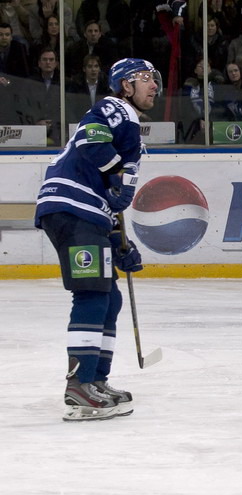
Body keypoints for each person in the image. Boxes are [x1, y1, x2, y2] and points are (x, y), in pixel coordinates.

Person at [34, 57, 160, 421]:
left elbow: (110, 196)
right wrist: (116, 175)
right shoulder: (116, 106)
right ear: (125, 85)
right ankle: (79, 386)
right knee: (92, 291)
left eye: (155, 79)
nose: (154, 85)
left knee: (110, 296)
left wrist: (120, 243)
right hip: (71, 208)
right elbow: (92, 138)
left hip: (86, 213)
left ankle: (96, 380)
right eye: (145, 79)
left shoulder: (132, 129)